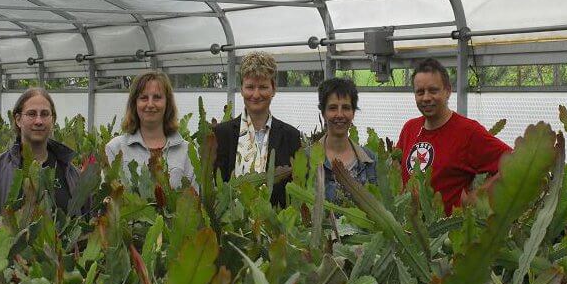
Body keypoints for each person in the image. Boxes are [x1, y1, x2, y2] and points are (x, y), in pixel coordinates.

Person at [396, 58, 511, 215]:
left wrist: (477, 197)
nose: (426, 98)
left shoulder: (468, 131)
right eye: (420, 92)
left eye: (433, 90)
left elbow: (513, 161)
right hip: (409, 230)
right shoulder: (410, 128)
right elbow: (397, 173)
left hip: (448, 233)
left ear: (448, 91)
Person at [0, 88, 84, 216]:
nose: (39, 121)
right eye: (31, 114)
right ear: (18, 120)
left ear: (53, 120)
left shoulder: (73, 175)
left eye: (45, 114)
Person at [214, 51, 301, 207]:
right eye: (250, 87)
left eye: (263, 87)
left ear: (273, 89)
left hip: (277, 225)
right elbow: (216, 185)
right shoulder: (222, 134)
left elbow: (295, 188)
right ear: (241, 89)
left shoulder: (290, 136)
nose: (256, 94)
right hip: (231, 226)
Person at [105, 71, 195, 190]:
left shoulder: (187, 152)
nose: (150, 104)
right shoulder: (115, 149)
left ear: (167, 103)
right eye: (144, 98)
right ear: (134, 103)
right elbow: (108, 200)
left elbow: (197, 201)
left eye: (157, 97)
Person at [314, 78, 376, 203]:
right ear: (323, 113)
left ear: (353, 113)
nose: (340, 114)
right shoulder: (307, 159)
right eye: (332, 108)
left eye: (346, 108)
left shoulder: (370, 160)